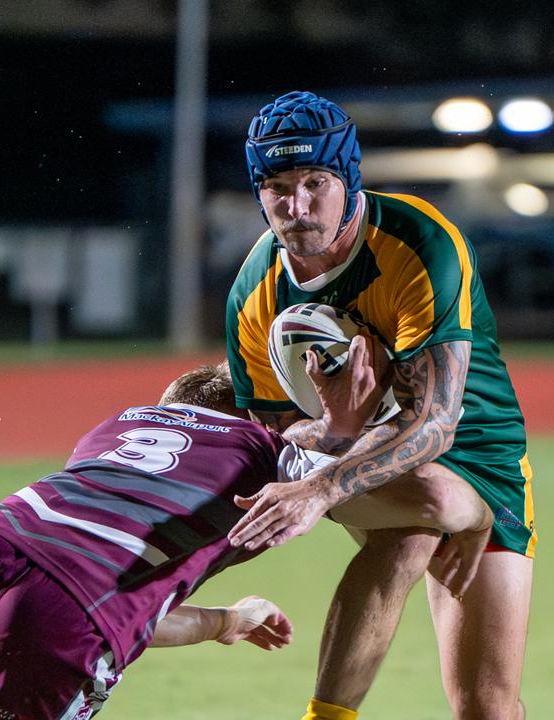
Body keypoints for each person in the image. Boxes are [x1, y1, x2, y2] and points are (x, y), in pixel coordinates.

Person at [0, 363, 492, 720]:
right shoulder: (263, 446)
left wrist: (225, 621)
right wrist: (476, 516)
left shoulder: (109, 432)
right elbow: (439, 501)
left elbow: (123, 595)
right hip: (69, 606)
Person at [224, 91, 536, 720]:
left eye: (317, 181)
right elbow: (277, 433)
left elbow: (437, 423)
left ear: (350, 180)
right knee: (419, 511)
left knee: (488, 706)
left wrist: (322, 488)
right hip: (373, 462)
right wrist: (336, 432)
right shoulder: (253, 290)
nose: (298, 205)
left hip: (483, 456)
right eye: (278, 186)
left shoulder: (418, 241)